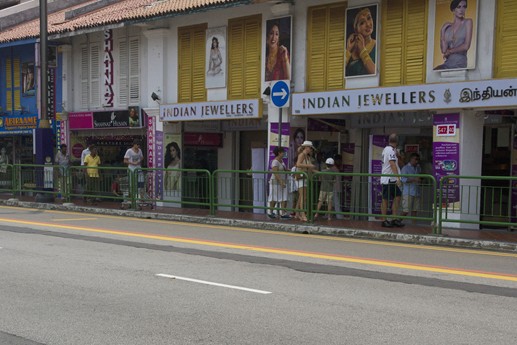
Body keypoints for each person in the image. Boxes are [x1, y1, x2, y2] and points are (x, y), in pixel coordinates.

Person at [434, 0, 473, 70]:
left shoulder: (468, 22)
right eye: (459, 7)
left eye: (464, 7)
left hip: (460, 62)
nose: (462, 10)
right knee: (435, 71)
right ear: (453, 9)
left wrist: (450, 51)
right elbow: (444, 50)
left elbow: (466, 46)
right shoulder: (448, 27)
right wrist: (442, 31)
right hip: (448, 63)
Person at [380, 134, 404, 228]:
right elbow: (392, 164)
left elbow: (398, 163)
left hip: (392, 179)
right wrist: (398, 178)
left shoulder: (391, 150)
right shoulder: (389, 150)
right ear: (397, 142)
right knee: (385, 199)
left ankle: (394, 218)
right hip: (388, 179)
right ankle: (384, 220)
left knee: (397, 196)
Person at [346, 7, 376, 77]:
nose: (368, 24)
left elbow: (376, 73)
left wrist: (362, 51)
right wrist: (348, 51)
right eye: (362, 23)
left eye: (369, 18)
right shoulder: (350, 50)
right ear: (356, 29)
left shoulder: (378, 46)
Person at [294, 141, 316, 222]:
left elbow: (310, 168)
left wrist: (319, 173)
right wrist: (309, 165)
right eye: (310, 148)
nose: (311, 149)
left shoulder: (307, 156)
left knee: (302, 196)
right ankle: (303, 214)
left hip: (304, 177)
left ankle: (297, 213)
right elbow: (298, 164)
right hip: (301, 177)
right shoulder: (302, 155)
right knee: (303, 197)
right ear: (307, 147)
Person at [267, 147, 290, 219]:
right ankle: (270, 212)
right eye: (283, 152)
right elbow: (275, 172)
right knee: (274, 197)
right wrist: (280, 181)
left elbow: (284, 169)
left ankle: (282, 213)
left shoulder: (281, 161)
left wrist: (290, 170)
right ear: (279, 153)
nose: (284, 153)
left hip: (282, 181)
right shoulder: (275, 162)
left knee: (283, 197)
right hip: (275, 182)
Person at [401, 153, 422, 223]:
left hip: (417, 191)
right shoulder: (405, 168)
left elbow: (420, 177)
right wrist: (413, 179)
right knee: (406, 210)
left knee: (415, 210)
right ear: (411, 159)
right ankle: (398, 221)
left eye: (418, 160)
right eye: (415, 159)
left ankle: (414, 225)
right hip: (408, 192)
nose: (417, 161)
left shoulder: (418, 168)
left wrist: (420, 180)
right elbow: (403, 179)